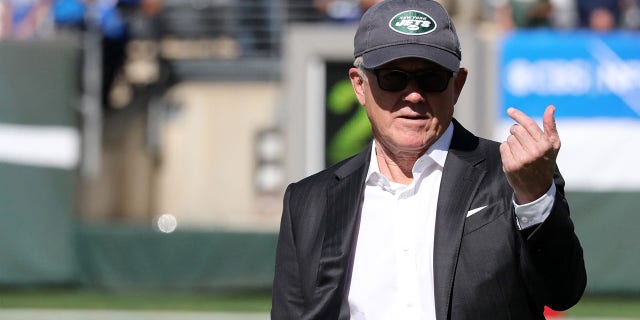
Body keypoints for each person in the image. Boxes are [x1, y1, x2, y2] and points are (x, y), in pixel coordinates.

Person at [271, 0, 587, 319]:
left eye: (431, 77)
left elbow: (562, 292)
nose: (413, 94)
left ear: (457, 85)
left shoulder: (514, 177)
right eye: (393, 77)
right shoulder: (308, 202)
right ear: (359, 85)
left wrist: (533, 198)